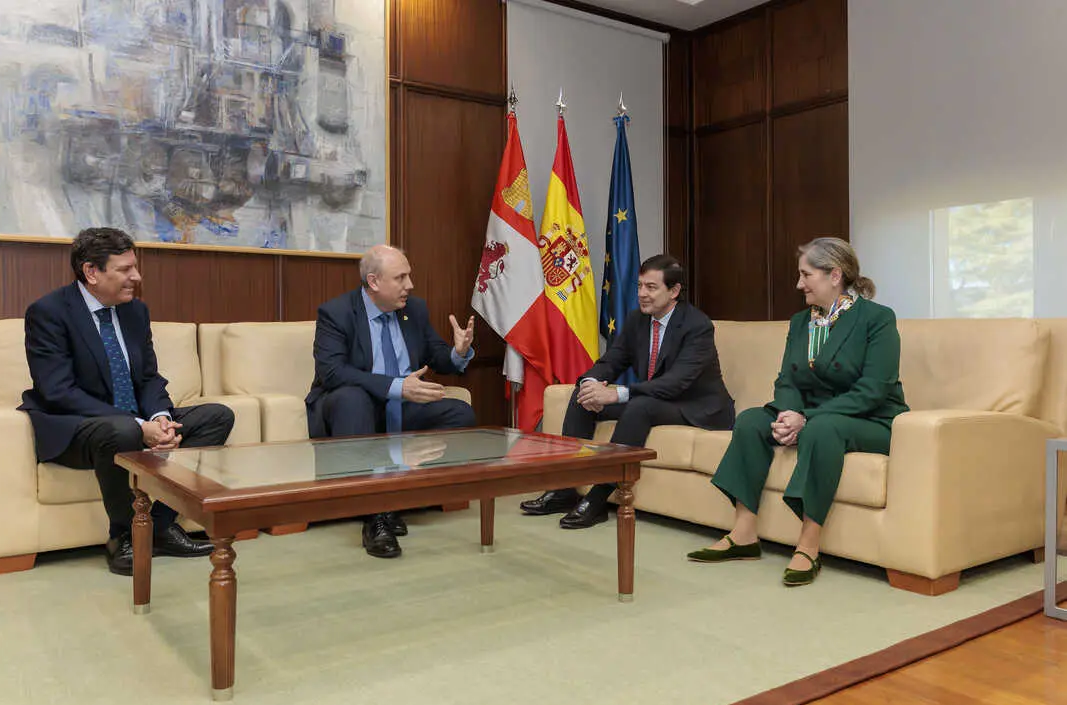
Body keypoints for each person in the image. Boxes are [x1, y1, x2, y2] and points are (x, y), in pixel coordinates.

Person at [687, 237, 909, 586]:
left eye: (806, 275)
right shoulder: (801, 321)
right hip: (811, 413)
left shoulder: (877, 319)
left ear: (834, 275)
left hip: (870, 419)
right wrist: (789, 414)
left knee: (822, 430)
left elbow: (873, 390)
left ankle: (808, 545)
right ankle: (744, 533)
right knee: (751, 421)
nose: (798, 284)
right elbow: (787, 379)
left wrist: (807, 419)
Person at [20, 227, 235, 576]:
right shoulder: (49, 312)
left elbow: (148, 377)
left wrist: (160, 417)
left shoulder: (135, 312)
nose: (136, 277)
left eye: (135, 267)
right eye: (124, 269)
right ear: (91, 272)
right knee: (121, 429)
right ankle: (122, 535)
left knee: (217, 416)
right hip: (77, 427)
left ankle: (159, 528)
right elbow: (58, 391)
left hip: (134, 420)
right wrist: (139, 426)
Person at [519, 254, 735, 529]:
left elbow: (675, 383)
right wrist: (591, 383)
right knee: (581, 398)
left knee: (638, 406)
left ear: (674, 291)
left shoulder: (697, 326)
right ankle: (565, 489)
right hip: (658, 400)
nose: (642, 294)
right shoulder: (638, 320)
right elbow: (613, 360)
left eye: (651, 287)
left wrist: (617, 393)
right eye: (640, 286)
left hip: (696, 406)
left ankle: (598, 498)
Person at [305, 244, 477, 559]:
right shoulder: (337, 312)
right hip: (354, 410)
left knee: (459, 414)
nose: (409, 285)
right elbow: (333, 372)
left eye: (408, 276)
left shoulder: (415, 310)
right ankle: (376, 515)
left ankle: (405, 497)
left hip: (400, 410)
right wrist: (397, 387)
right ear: (373, 282)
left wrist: (458, 352)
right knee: (352, 399)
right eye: (400, 278)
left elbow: (436, 355)